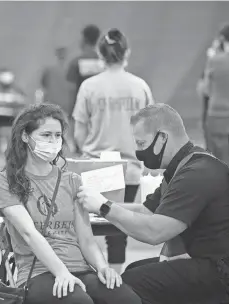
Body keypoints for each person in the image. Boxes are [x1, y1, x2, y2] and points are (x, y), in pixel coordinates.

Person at [78, 103, 229, 304]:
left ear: (162, 137)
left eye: (141, 143)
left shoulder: (196, 173)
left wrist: (104, 207)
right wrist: (93, 205)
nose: (138, 151)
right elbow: (146, 211)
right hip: (203, 261)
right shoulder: (182, 167)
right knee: (134, 270)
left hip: (219, 271)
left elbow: (154, 232)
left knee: (128, 284)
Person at [0, 103, 141, 304]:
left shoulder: (72, 180)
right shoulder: (4, 181)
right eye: (46, 135)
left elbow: (86, 240)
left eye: (57, 135)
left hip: (80, 269)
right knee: (80, 302)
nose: (53, 141)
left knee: (127, 300)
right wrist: (62, 273)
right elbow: (29, 233)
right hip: (38, 273)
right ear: (25, 136)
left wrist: (103, 267)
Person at [73, 28, 154, 273]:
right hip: (128, 169)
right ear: (126, 52)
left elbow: (79, 131)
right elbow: (149, 130)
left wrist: (88, 151)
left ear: (100, 54)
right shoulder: (140, 86)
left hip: (94, 167)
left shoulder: (89, 86)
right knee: (119, 227)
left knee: (84, 225)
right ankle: (116, 279)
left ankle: (88, 275)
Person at [203, 24, 229, 166]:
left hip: (218, 116)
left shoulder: (215, 61)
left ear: (222, 40)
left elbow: (206, 90)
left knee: (220, 162)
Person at [40, 47, 75, 152]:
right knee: (65, 126)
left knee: (52, 125)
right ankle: (68, 146)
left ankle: (54, 145)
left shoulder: (50, 69)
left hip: (54, 103)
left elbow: (44, 84)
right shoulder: (69, 69)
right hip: (66, 103)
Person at [0, 68, 25, 153]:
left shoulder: (16, 89)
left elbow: (22, 100)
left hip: (11, 115)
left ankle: (14, 146)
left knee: (18, 123)